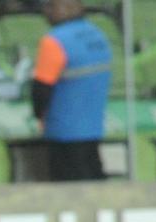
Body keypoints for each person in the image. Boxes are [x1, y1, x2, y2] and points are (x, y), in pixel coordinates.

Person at [31, 0, 111, 182]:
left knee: (68, 189)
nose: (46, 12)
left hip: (63, 131)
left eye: (50, 6)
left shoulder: (54, 41)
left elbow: (41, 88)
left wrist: (39, 115)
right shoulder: (97, 35)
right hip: (93, 127)